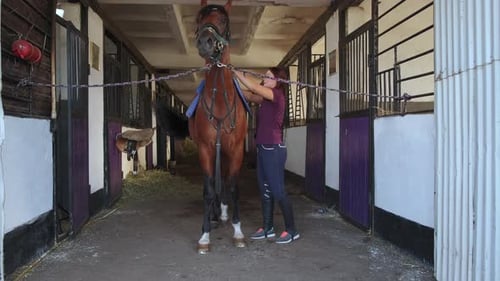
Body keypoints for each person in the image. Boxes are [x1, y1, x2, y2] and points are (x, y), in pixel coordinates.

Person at [233, 67, 300, 244]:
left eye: (269, 76)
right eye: (265, 76)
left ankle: (292, 230)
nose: (265, 78)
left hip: (273, 149)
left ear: (279, 80)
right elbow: (249, 94)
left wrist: (237, 73)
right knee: (264, 191)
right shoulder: (265, 99)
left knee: (278, 191)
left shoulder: (277, 95)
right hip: (263, 149)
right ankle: (268, 227)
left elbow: (254, 88)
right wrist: (231, 80)